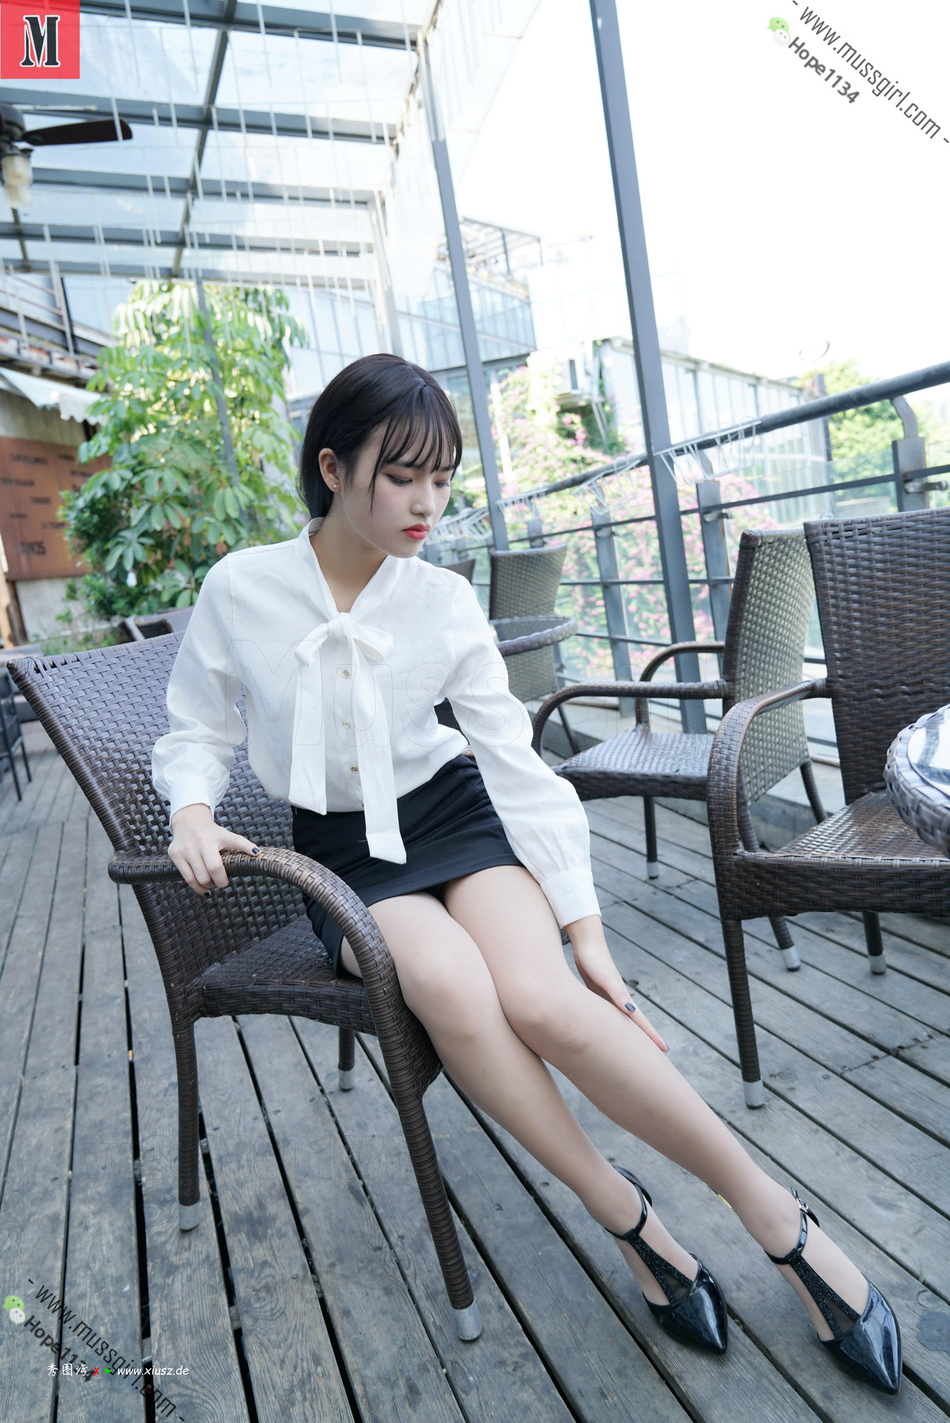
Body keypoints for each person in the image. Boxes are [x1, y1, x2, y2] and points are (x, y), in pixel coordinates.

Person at [153, 353, 901, 1392]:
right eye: (401, 476)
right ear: (332, 467)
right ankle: (624, 1214)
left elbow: (513, 760)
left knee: (545, 998)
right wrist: (191, 810)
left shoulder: (443, 599)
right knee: (448, 983)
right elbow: (195, 727)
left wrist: (584, 926)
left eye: (441, 478)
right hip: (343, 852)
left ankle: (772, 1214)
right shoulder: (243, 587)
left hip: (452, 816)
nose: (427, 504)